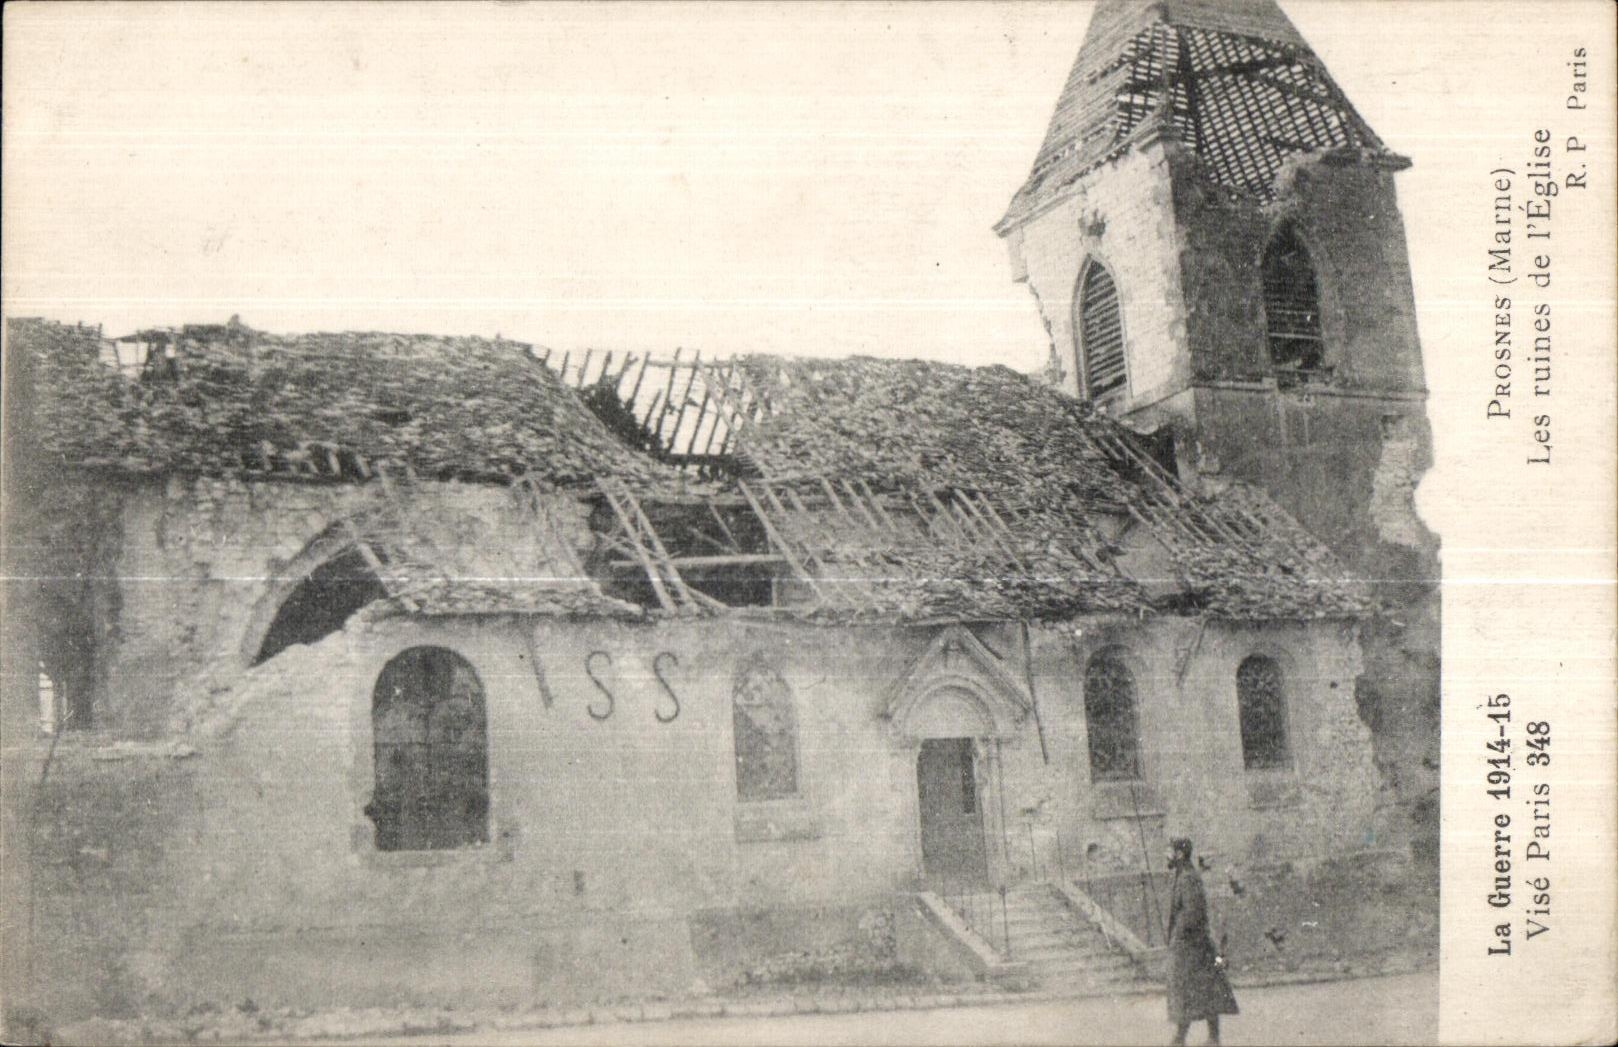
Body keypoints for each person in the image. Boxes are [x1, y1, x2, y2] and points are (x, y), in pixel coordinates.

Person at [1165, 837, 1238, 1045]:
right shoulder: (1182, 875)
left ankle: (1201, 1038)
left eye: (1169, 851)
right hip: (1190, 945)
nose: (1166, 855)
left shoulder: (1188, 878)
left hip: (1194, 946)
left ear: (1179, 854)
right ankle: (1185, 1037)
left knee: (1201, 989)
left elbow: (1192, 913)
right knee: (1196, 990)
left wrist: (1178, 935)